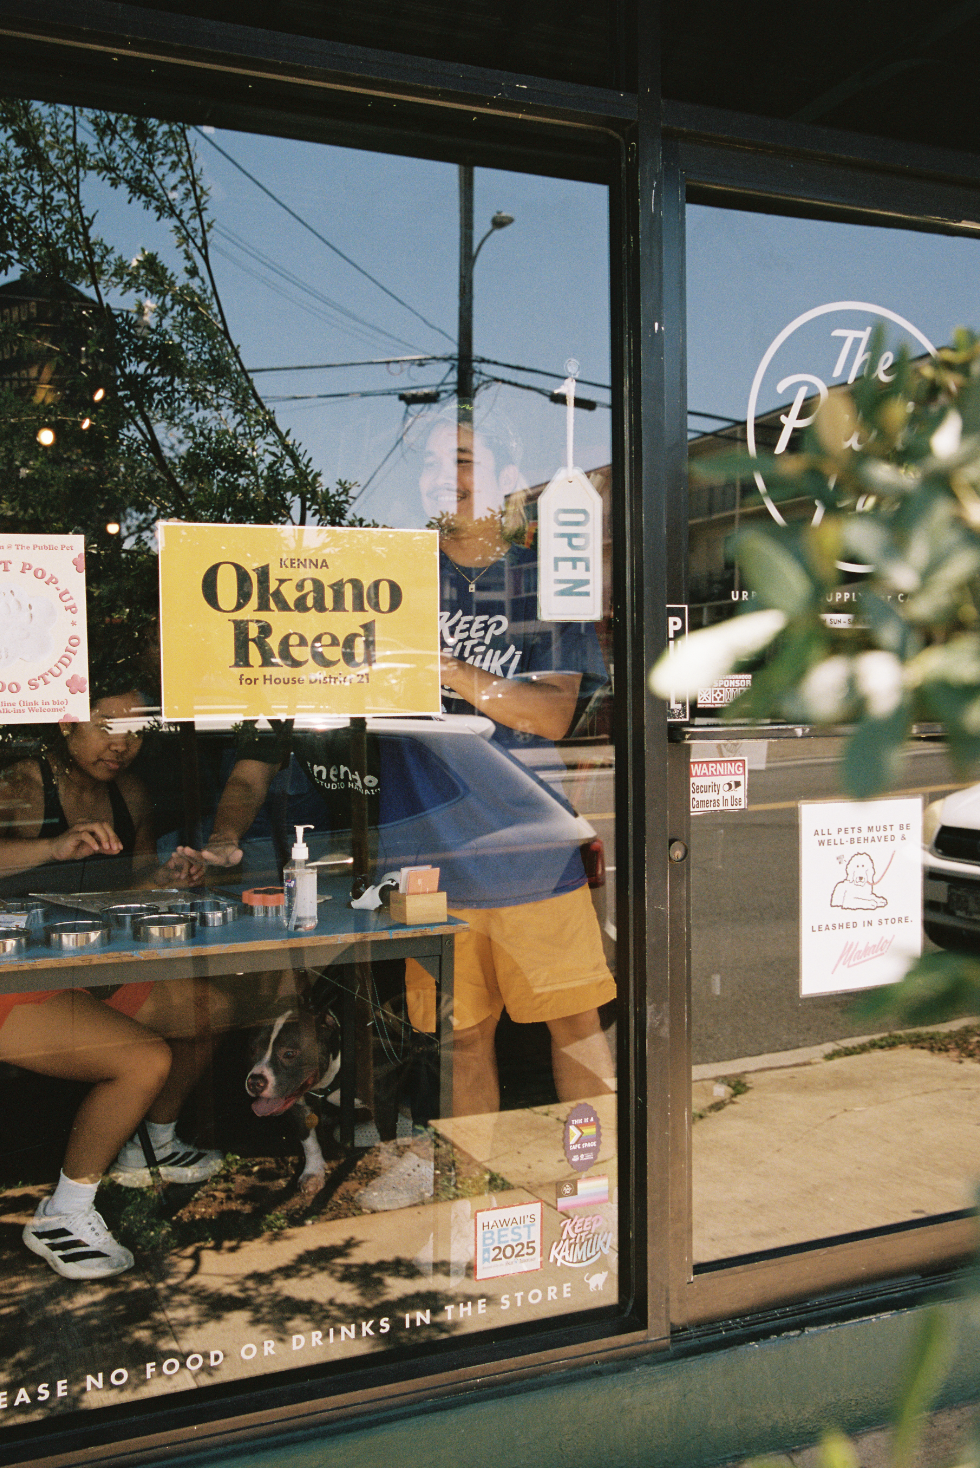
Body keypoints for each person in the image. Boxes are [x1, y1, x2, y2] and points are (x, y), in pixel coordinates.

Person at [183, 404, 615, 1123]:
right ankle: (478, 1209)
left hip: (530, 854)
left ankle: (595, 1198)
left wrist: (446, 667)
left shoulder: (544, 577)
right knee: (461, 1042)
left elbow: (553, 714)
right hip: (424, 862)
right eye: (427, 466)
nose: (441, 480)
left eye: (463, 463)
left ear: (509, 479)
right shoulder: (388, 579)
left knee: (575, 1031)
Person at [0, 690, 228, 1278]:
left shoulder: (128, 792)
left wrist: (170, 876)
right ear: (70, 719)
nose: (122, 744)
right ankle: (63, 1217)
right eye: (107, 726)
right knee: (142, 1061)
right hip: (13, 974)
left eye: (136, 731)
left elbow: (132, 883)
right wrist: (52, 846)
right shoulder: (23, 783)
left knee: (209, 1010)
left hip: (84, 963)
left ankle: (148, 1141)